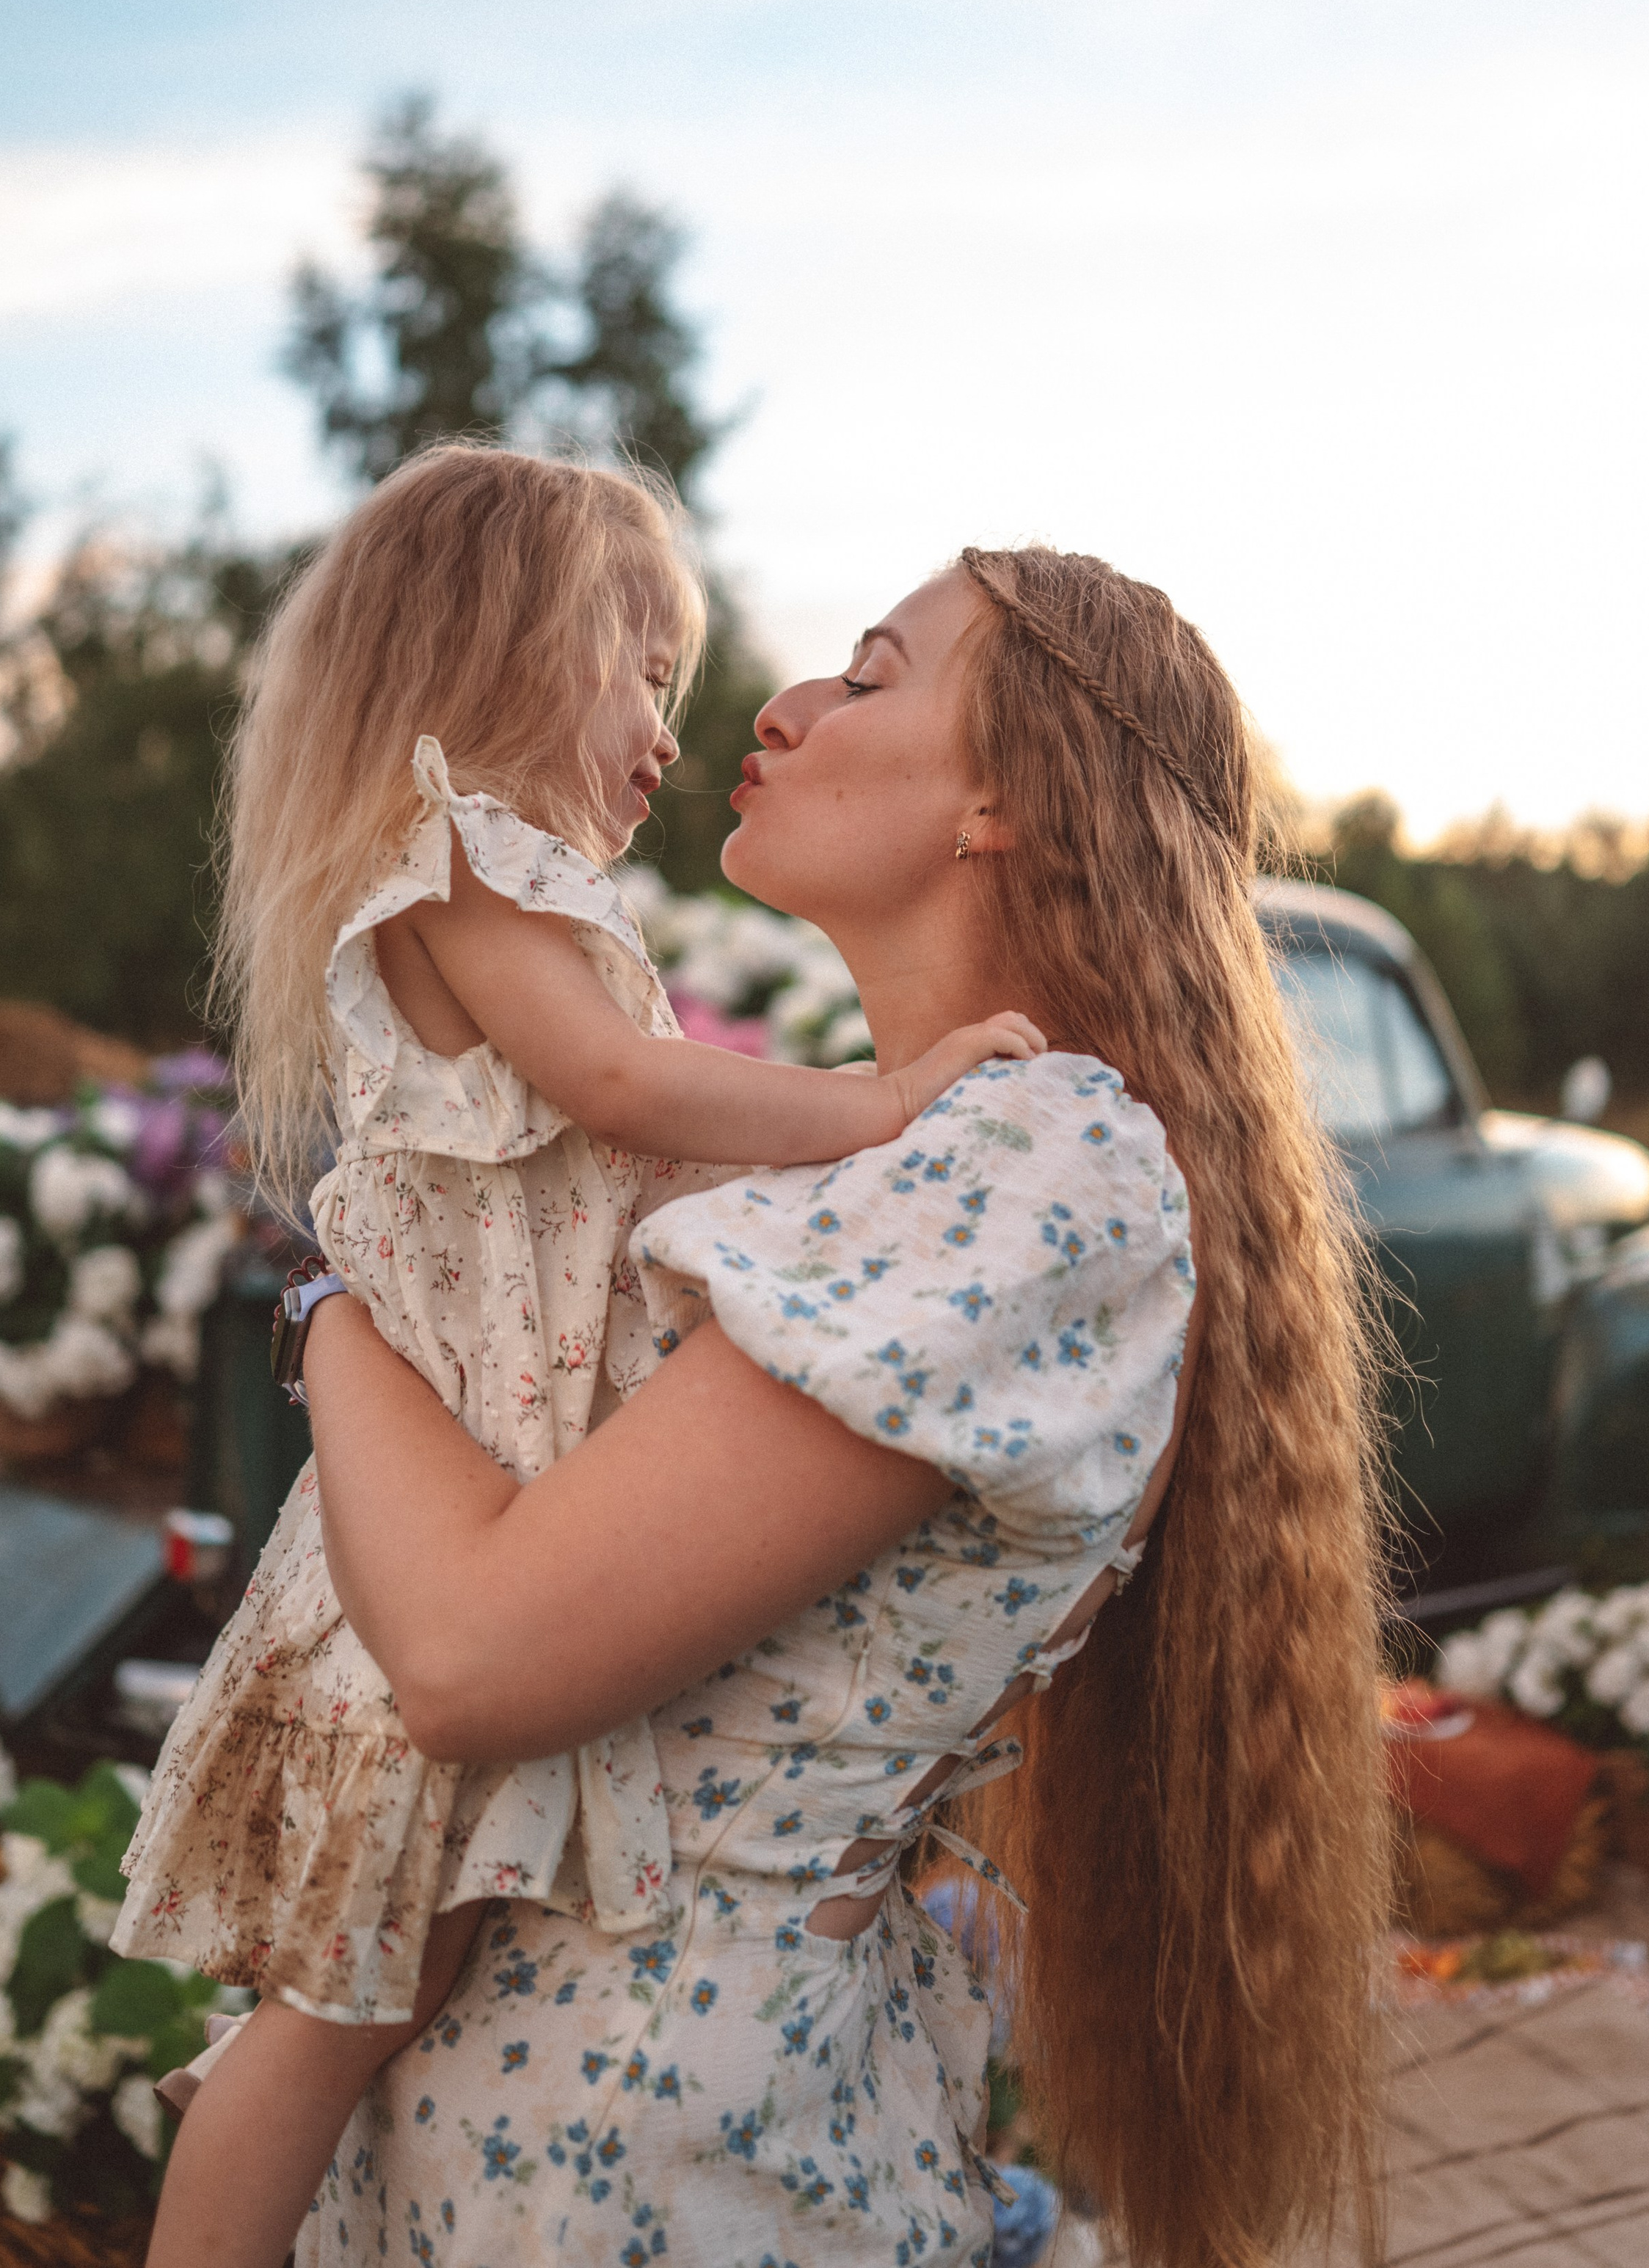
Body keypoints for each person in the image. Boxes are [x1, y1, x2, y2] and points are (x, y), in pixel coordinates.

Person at [274, 543, 1392, 2268]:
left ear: (1004, 800)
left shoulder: (1032, 1164)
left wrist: (322, 1314)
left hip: (629, 2162)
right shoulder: (931, 1156)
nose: (779, 711)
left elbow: (474, 1654)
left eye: (867, 677)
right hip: (584, 2119)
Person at [120, 445, 1044, 2268]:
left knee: (382, 1995)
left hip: (479, 1468)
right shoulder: (465, 856)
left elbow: (614, 1169)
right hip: (455, 1498)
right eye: (642, 674)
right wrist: (878, 1103)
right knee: (326, 2034)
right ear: (508, 650)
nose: (665, 734)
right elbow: (625, 1092)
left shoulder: (510, 885)